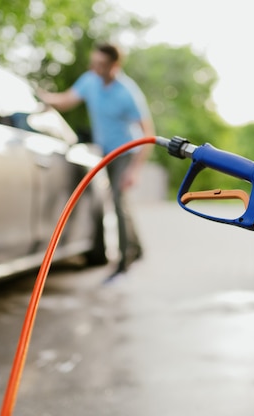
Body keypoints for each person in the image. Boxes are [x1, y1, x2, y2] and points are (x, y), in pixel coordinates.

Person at [37, 42, 155, 282]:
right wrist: (43, 97)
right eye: (95, 63)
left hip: (125, 153)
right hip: (104, 152)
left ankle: (123, 262)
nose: (96, 68)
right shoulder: (90, 80)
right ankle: (138, 248)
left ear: (115, 66)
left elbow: (148, 133)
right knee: (122, 204)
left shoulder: (127, 92)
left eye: (102, 65)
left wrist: (134, 170)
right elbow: (67, 100)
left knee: (118, 203)